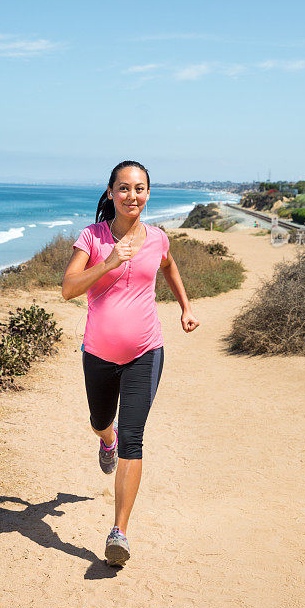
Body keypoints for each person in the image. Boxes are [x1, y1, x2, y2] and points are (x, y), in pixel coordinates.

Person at [61, 160, 200, 567]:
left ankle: (118, 532)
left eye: (139, 189)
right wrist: (107, 262)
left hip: (146, 352)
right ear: (110, 193)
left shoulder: (157, 238)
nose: (132, 196)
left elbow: (169, 265)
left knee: (134, 438)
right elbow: (68, 289)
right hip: (99, 355)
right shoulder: (92, 237)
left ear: (148, 194)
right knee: (101, 420)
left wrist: (185, 307)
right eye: (123, 189)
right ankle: (106, 439)